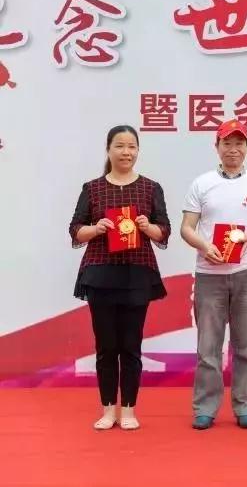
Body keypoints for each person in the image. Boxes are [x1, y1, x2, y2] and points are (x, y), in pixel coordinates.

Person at [180, 119, 247, 430]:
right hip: (209, 273)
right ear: (217, 147)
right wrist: (204, 245)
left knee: (246, 345)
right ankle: (205, 407)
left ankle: (245, 406)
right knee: (208, 346)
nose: (233, 149)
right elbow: (187, 228)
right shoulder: (202, 183)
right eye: (227, 143)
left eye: (239, 144)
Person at [69, 125, 171, 430]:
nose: (126, 152)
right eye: (120, 146)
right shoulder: (93, 188)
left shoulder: (151, 188)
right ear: (108, 149)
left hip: (137, 273)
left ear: (138, 150)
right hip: (100, 274)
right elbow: (75, 229)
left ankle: (128, 409)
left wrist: (147, 227)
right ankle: (107, 409)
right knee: (106, 347)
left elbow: (164, 231)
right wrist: (96, 228)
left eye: (132, 146)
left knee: (130, 345)